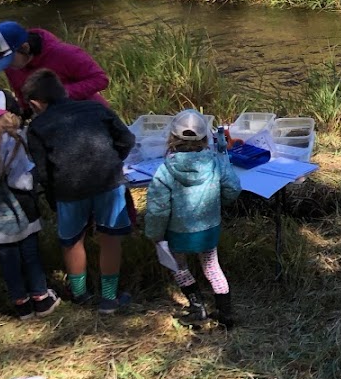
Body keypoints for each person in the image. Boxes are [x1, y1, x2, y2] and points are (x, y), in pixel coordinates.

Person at [24, 69, 135, 313]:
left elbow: (43, 171)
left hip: (68, 189)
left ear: (34, 103)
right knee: (110, 239)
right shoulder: (96, 109)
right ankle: (108, 298)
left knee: (72, 242)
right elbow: (127, 139)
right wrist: (114, 160)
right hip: (108, 181)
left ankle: (80, 294)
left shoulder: (37, 126)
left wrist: (53, 200)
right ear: (64, 91)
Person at [145, 109, 243, 328]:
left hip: (177, 232)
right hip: (208, 228)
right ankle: (226, 313)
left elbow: (158, 208)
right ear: (206, 138)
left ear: (172, 138)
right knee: (212, 268)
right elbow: (233, 188)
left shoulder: (165, 170)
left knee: (179, 268)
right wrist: (220, 203)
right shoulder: (215, 163)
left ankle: (197, 307)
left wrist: (154, 234)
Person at [0, 90, 57, 320]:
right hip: (20, 210)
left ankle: (21, 304)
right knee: (30, 254)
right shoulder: (15, 141)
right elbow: (22, 181)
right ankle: (41, 298)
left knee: (8, 259)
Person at [0, 20, 109, 107]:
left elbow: (100, 79)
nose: (8, 66)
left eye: (9, 60)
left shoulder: (64, 53)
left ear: (25, 48)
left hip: (91, 113)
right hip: (53, 122)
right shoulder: (11, 67)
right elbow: (21, 96)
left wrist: (60, 93)